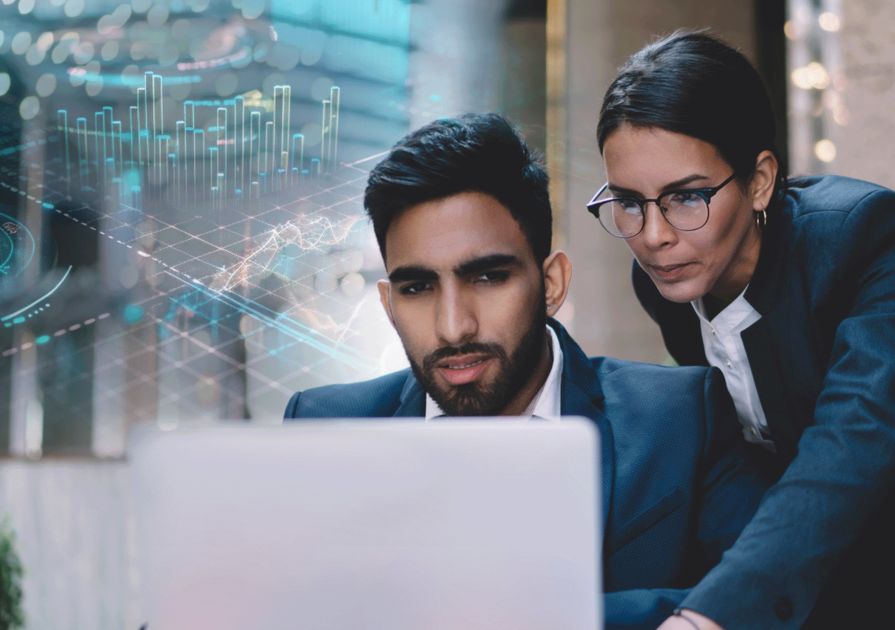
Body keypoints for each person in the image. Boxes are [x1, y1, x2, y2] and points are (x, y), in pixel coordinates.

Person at [588, 31, 895, 630]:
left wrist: (711, 613)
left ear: (758, 180)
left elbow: (851, 444)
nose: (652, 235)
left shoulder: (875, 239)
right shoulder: (671, 279)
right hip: (859, 560)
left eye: (686, 197)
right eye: (628, 202)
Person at [285, 113, 769, 629]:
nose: (453, 328)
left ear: (553, 284)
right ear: (387, 303)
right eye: (417, 287)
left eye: (488, 276)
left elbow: (760, 602)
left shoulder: (681, 416)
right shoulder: (324, 429)